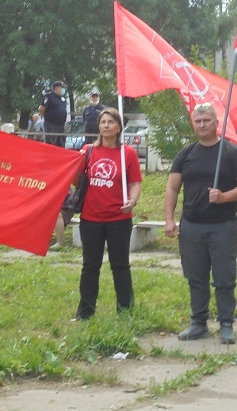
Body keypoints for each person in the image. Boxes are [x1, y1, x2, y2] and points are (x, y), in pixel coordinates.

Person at [163, 104, 237, 345]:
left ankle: (226, 324)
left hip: (222, 225)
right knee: (195, 276)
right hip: (192, 225)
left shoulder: (231, 153)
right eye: (198, 121)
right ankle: (198, 323)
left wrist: (224, 196)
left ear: (216, 123)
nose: (202, 124)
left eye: (206, 120)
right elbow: (172, 188)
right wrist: (170, 220)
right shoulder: (186, 154)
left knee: (224, 277)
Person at [74, 108, 142, 320]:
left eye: (110, 122)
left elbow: (135, 182)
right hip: (91, 218)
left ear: (119, 127)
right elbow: (77, 182)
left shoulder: (127, 153)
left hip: (119, 219)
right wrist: (76, 166)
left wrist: (132, 201)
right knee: (90, 266)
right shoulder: (87, 151)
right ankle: (85, 312)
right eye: (103, 122)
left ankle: (126, 311)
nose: (106, 126)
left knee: (120, 265)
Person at [39, 81, 68, 148]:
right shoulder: (49, 96)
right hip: (51, 124)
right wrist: (48, 117)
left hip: (61, 125)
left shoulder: (63, 99)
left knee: (61, 143)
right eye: (62, 87)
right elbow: (41, 109)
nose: (63, 89)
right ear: (56, 88)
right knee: (52, 143)